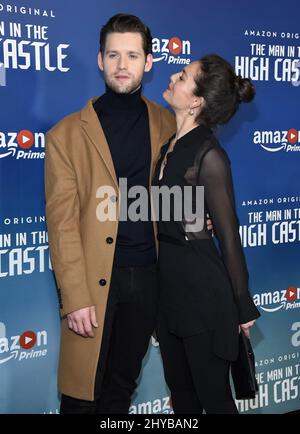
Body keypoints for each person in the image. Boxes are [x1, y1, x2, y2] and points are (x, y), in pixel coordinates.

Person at [45, 13, 176, 414]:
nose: (123, 65)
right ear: (100, 60)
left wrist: (195, 217)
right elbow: (62, 223)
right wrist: (75, 298)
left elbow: (175, 196)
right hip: (94, 284)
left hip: (150, 278)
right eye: (113, 55)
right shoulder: (66, 134)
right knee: (81, 395)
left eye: (132, 55)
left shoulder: (167, 123)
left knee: (121, 390)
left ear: (148, 62)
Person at [152, 54, 261, 414]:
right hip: (167, 296)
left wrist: (242, 304)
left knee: (214, 401)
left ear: (196, 100)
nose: (172, 76)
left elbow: (229, 235)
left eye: (182, 76)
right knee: (183, 401)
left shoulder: (210, 155)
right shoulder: (168, 147)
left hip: (204, 297)